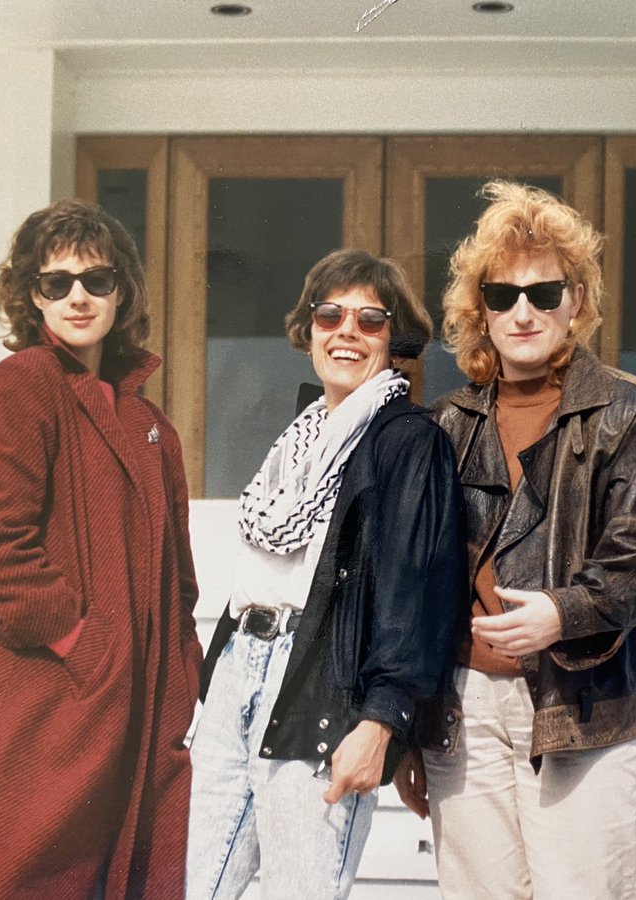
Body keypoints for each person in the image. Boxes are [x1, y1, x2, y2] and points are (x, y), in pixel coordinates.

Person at [395, 181, 636, 899]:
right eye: (502, 296)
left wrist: (561, 612)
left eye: (544, 292)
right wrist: (409, 723)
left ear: (576, 302)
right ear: (480, 310)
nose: (522, 312)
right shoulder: (446, 422)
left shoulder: (633, 413)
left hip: (579, 705)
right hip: (463, 710)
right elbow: (417, 582)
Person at [0, 199, 202, 899]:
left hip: (138, 726)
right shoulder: (23, 385)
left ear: (123, 291)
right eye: (57, 283)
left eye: (97, 279)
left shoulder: (151, 424)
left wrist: (179, 682)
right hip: (43, 715)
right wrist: (87, 646)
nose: (78, 296)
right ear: (32, 296)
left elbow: (179, 583)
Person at [185, 249, 466, 900]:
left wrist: (382, 720)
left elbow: (417, 595)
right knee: (197, 886)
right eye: (329, 314)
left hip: (320, 689)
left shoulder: (407, 441)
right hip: (237, 677)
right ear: (307, 329)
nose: (346, 331)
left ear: (395, 339)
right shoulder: (304, 438)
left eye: (370, 320)